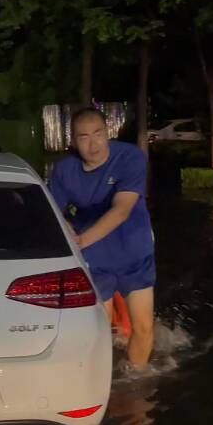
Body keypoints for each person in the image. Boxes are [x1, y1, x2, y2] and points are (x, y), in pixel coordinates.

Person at [49, 107, 156, 368]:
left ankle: (137, 383)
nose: (93, 144)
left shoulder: (130, 158)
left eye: (98, 134)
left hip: (133, 250)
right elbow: (52, 210)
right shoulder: (64, 170)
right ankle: (102, 388)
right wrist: (67, 229)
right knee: (99, 333)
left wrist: (81, 240)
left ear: (107, 132)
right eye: (83, 137)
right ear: (73, 142)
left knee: (143, 327)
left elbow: (122, 210)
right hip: (94, 260)